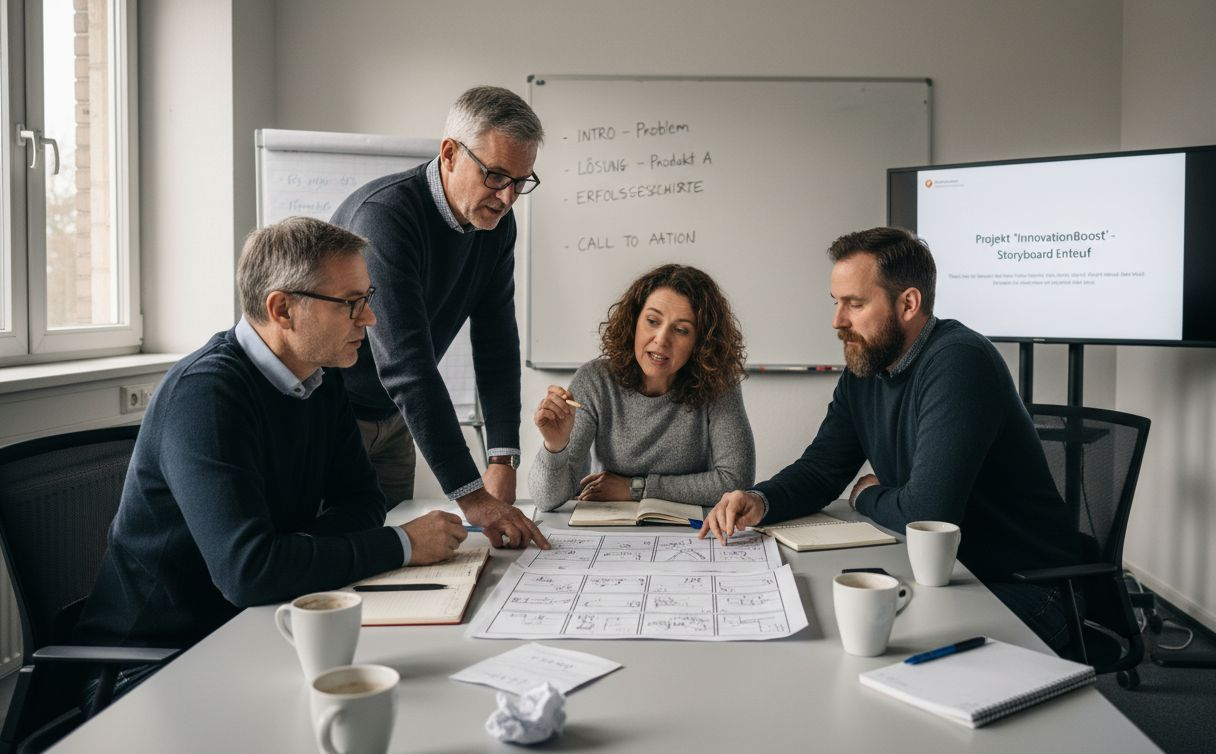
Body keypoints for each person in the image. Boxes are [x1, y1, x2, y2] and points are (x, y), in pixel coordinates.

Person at [74, 217, 470, 699]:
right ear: (282, 309)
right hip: (153, 662)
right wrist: (401, 545)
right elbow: (249, 572)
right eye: (351, 304)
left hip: (255, 621)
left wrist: (289, 553)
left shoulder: (320, 378)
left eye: (367, 299)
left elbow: (363, 499)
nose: (369, 319)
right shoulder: (206, 395)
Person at [700, 227, 1083, 652]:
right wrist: (760, 499)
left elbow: (928, 514)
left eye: (855, 304)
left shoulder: (959, 362)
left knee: (874, 642)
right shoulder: (866, 368)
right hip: (950, 577)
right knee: (851, 630)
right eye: (836, 303)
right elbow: (822, 468)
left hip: (1026, 587)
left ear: (908, 303)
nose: (837, 321)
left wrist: (866, 495)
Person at [330, 85, 547, 549]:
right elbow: (407, 367)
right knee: (345, 554)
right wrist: (472, 496)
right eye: (494, 175)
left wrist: (502, 456)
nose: (507, 197)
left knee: (391, 562)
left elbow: (496, 340)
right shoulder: (386, 219)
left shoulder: (496, 225)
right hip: (333, 415)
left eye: (520, 181)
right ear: (449, 154)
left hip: (393, 419)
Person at [529, 264, 755, 511]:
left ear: (700, 342)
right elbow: (546, 500)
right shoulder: (595, 380)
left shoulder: (718, 383)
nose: (661, 339)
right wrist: (554, 447)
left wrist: (636, 488)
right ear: (633, 322)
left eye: (681, 330)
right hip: (608, 526)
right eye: (652, 321)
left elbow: (735, 481)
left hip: (689, 530)